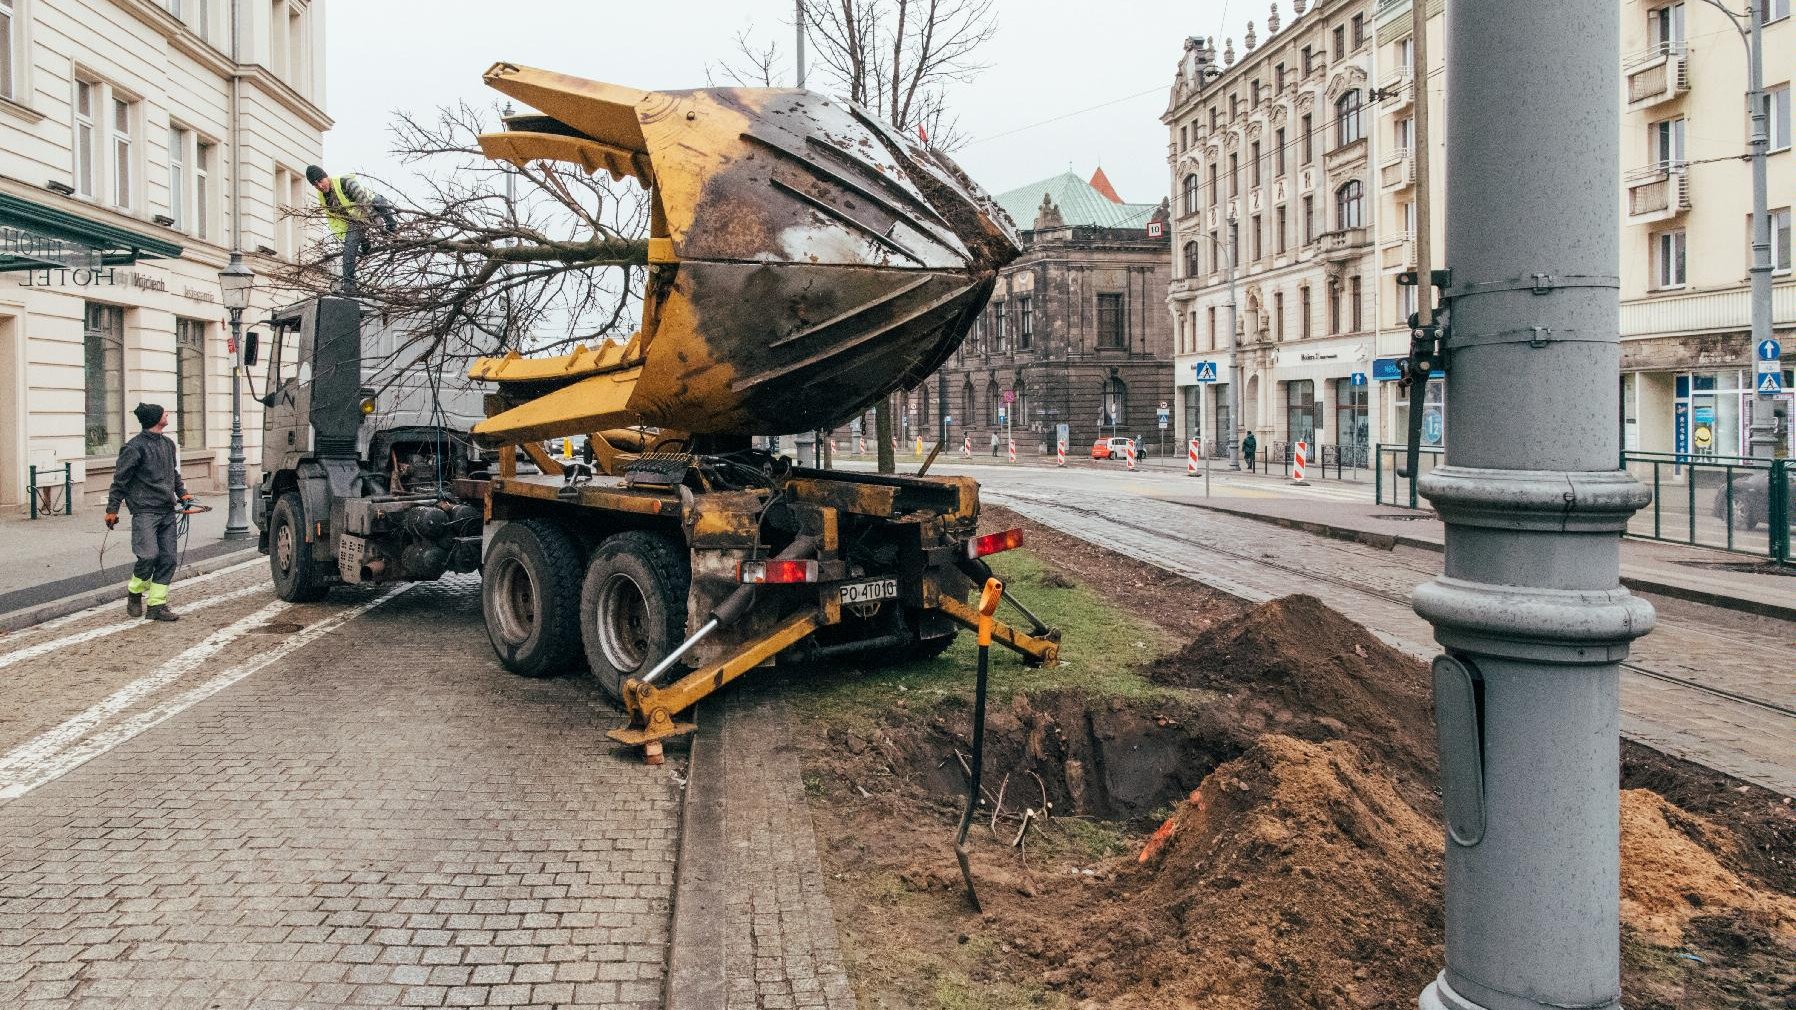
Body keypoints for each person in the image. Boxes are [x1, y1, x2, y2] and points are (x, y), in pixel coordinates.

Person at [106, 403, 195, 622]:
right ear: (155, 418)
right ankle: (135, 591)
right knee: (148, 556)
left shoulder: (168, 444)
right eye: (164, 412)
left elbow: (173, 473)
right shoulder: (134, 447)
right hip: (145, 511)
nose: (167, 414)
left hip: (167, 510)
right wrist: (112, 509)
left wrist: (182, 494)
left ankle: (156, 606)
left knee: (167, 559)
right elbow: (121, 480)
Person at [305, 164, 398, 295]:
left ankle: (393, 230)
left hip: (371, 207)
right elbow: (335, 218)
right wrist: (350, 238)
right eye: (315, 185)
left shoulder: (344, 182)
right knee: (349, 247)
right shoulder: (323, 197)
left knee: (379, 201)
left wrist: (377, 220)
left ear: (326, 176)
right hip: (357, 220)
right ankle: (349, 284)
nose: (320, 186)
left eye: (320, 181)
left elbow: (363, 200)